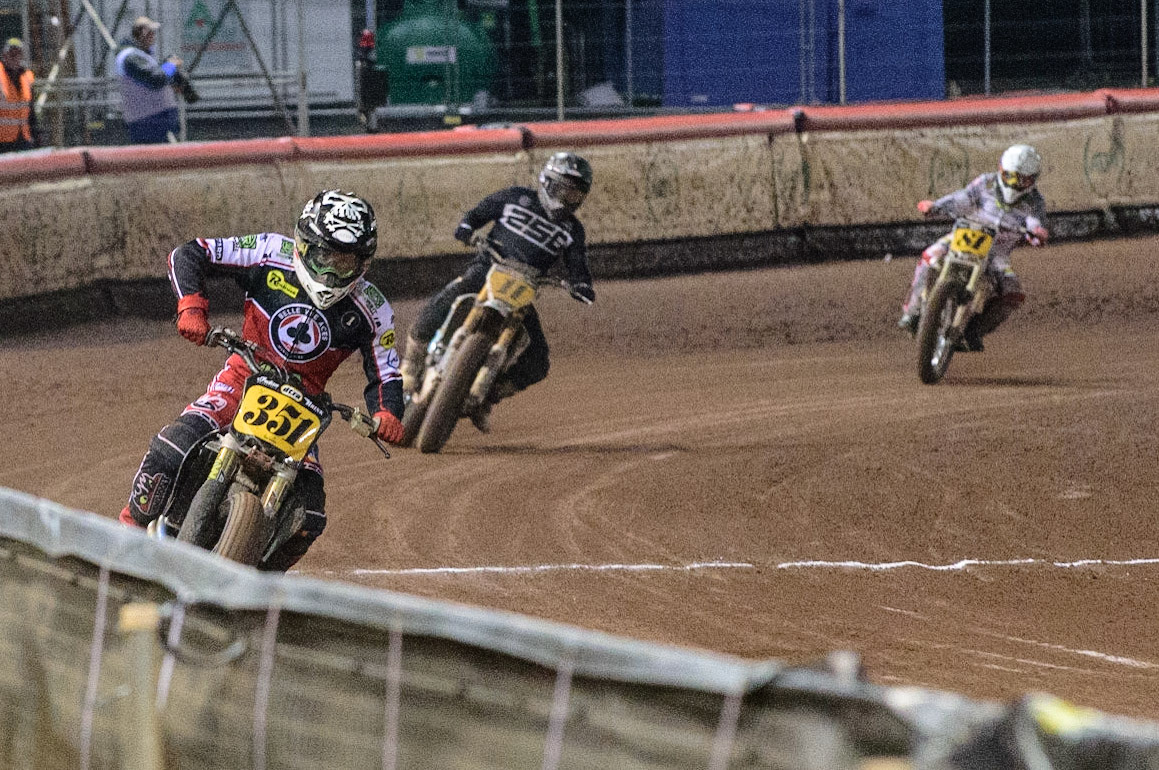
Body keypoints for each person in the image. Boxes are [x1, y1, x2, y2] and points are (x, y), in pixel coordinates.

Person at [119, 190, 406, 571]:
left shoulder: (374, 308)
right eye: (323, 257)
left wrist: (387, 412)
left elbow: (386, 370)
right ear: (303, 244)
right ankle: (124, 537)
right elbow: (190, 253)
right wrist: (191, 306)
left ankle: (262, 587)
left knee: (310, 516)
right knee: (173, 447)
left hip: (304, 408)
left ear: (363, 263)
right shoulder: (269, 252)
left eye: (344, 263)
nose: (330, 273)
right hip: (242, 378)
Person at [399, 151, 596, 433]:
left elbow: (577, 263)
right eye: (564, 189)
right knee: (446, 299)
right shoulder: (516, 197)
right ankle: (410, 367)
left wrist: (581, 285)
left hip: (525, 287)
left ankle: (488, 397)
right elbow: (479, 213)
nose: (567, 198)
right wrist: (466, 227)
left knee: (538, 360)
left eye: (575, 194)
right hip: (488, 268)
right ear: (547, 182)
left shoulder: (573, 230)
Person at [897, 144, 1050, 352]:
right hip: (964, 234)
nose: (1014, 184)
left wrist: (1037, 234)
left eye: (1022, 180)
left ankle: (974, 331)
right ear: (1001, 170)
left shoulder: (1035, 202)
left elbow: (1035, 224)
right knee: (929, 256)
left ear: (1032, 180)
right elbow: (962, 198)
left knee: (1013, 293)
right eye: (1010, 176)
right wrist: (936, 207)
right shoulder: (986, 183)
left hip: (997, 253)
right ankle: (912, 311)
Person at [114, 16, 183, 144]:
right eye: (151, 33)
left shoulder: (141, 55)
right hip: (147, 123)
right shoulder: (130, 57)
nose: (153, 36)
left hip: (155, 121)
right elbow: (155, 79)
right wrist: (170, 65)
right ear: (143, 33)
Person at [0, 38, 37, 153]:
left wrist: (36, 134)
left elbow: (31, 110)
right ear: (4, 55)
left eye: (18, 54)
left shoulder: (27, 76)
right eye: (11, 54)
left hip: (23, 139)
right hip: (3, 141)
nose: (15, 57)